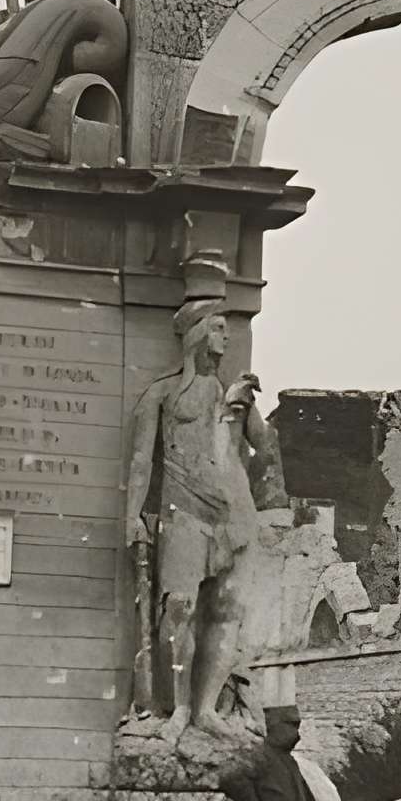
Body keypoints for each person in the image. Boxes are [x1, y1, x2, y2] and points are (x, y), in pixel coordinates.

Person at [123, 295, 278, 734]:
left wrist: (249, 407)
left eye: (227, 328)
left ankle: (207, 709)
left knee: (226, 613)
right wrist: (131, 517)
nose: (225, 337)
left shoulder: (232, 393)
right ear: (196, 335)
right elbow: (141, 461)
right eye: (216, 328)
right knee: (179, 608)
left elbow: (264, 445)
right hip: (183, 512)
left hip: (233, 517)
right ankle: (179, 709)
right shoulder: (163, 393)